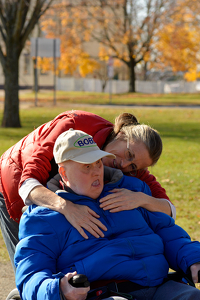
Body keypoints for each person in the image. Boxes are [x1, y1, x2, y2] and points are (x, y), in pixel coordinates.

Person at [15, 129, 200, 300]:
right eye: (86, 167)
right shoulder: (43, 218)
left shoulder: (133, 191)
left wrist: (194, 259)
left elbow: (168, 233)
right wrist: (59, 288)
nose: (96, 172)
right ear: (63, 172)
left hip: (159, 287)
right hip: (104, 293)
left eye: (97, 163)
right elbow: (31, 274)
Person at [0, 110, 175, 271]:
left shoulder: (132, 167)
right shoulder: (73, 125)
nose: (124, 165)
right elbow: (27, 185)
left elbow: (169, 209)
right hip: (17, 183)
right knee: (32, 265)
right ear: (121, 135)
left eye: (134, 166)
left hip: (62, 189)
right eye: (129, 155)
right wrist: (66, 207)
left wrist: (141, 199)